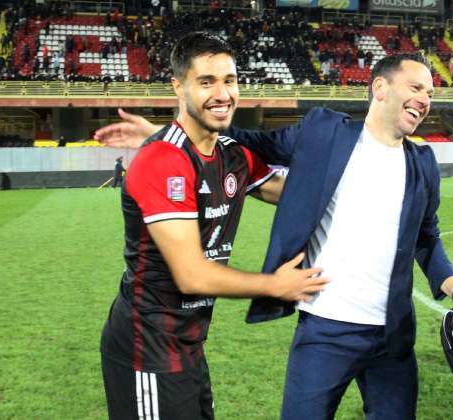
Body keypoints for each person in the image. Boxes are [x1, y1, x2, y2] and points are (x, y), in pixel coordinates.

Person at [97, 52, 453, 419]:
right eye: (416, 87)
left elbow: (428, 236)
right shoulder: (325, 131)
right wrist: (172, 137)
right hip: (325, 330)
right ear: (380, 88)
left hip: (392, 337)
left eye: (430, 93)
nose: (424, 99)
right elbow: (251, 142)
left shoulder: (422, 164)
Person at [97, 32, 327, 420]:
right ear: (178, 86)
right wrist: (275, 285)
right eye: (206, 82)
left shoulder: (231, 154)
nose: (223, 94)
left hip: (188, 343)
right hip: (147, 345)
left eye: (230, 80)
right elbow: (190, 276)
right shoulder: (162, 161)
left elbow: (287, 193)